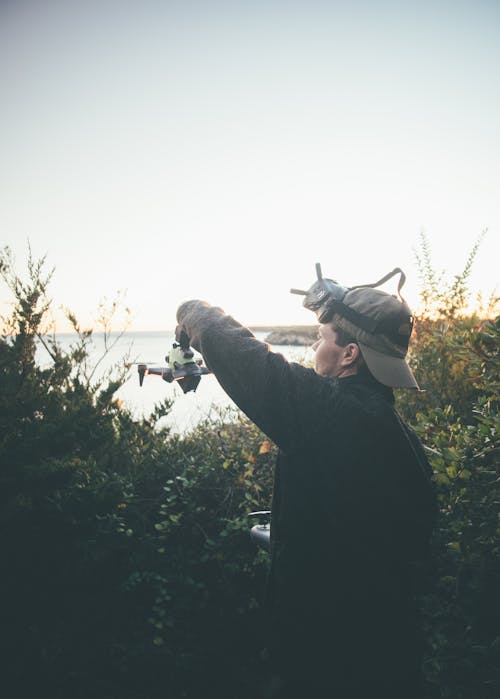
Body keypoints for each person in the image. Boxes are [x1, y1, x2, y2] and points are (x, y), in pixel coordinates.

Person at [175, 270, 436, 699]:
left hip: (322, 663)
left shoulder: (329, 415)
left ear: (349, 354)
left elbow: (244, 356)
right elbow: (368, 532)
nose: (314, 346)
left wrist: (191, 314)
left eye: (321, 337)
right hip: (388, 657)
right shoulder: (402, 440)